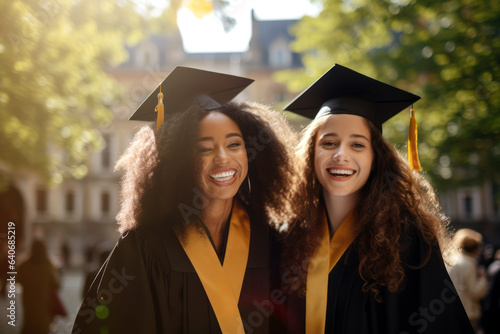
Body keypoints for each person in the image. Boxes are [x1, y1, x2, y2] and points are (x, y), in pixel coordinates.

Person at [72, 66, 296, 333]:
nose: (224, 157)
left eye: (235, 144)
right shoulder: (147, 247)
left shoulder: (269, 240)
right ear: (179, 160)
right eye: (204, 148)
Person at [281, 64, 474, 333]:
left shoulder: (406, 238)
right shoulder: (287, 234)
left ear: (376, 158)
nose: (341, 155)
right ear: (311, 152)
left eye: (357, 144)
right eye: (328, 143)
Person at [18, 239, 63, 334]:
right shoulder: (48, 266)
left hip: (28, 299)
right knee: (42, 324)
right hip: (43, 300)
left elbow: (17, 279)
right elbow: (57, 284)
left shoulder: (24, 265)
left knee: (29, 321)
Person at [447, 228, 488, 331]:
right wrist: (483, 279)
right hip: (468, 312)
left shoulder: (449, 260)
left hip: (451, 312)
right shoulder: (468, 263)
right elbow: (475, 292)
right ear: (475, 248)